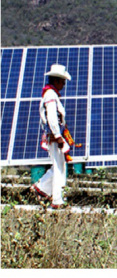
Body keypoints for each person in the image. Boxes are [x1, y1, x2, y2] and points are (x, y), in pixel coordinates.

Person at [30, 64, 72, 209]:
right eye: (62, 81)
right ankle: (57, 200)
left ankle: (41, 188)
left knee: (59, 166)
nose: (64, 84)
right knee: (59, 168)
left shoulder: (51, 95)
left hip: (55, 136)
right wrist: (58, 136)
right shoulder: (50, 96)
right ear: (56, 81)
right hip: (54, 138)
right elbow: (52, 118)